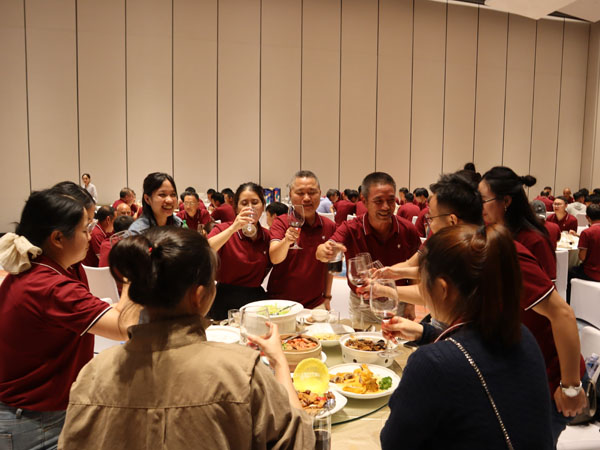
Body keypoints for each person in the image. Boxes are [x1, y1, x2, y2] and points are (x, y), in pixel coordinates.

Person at [58, 227, 314, 449]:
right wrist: (279, 361)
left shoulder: (92, 375)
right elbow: (300, 442)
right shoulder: (242, 372)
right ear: (199, 296)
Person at [380, 171, 585, 444]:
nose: (428, 225)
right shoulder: (468, 251)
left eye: (431, 217)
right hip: (505, 357)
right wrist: (422, 328)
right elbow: (460, 316)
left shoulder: (497, 251)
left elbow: (562, 314)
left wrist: (570, 386)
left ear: (452, 220)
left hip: (540, 369)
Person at [380, 225, 553, 449]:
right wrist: (425, 333)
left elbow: (393, 442)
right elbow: (478, 352)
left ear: (442, 289)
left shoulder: (430, 364)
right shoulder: (522, 334)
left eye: (423, 284)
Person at [0, 189, 135, 449]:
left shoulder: (38, 270)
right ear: (58, 238)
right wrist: (131, 272)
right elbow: (123, 327)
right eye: (85, 229)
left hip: (31, 413)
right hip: (34, 421)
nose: (90, 237)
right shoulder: (50, 286)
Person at [316, 172, 420, 327]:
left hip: (397, 301)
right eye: (378, 201)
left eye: (391, 200)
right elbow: (325, 248)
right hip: (362, 303)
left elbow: (414, 267)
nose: (386, 207)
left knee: (395, 340)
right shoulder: (351, 228)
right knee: (361, 339)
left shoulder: (407, 229)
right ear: (364, 201)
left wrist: (411, 305)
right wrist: (324, 251)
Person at [268, 170, 336, 309]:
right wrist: (286, 241)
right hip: (281, 304)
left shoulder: (329, 226)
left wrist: (327, 296)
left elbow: (330, 265)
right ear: (290, 195)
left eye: (312, 192)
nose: (306, 198)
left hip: (315, 303)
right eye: (300, 193)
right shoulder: (281, 222)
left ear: (320, 193)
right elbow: (274, 258)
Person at [207, 183, 271, 320]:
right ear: (236, 208)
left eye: (255, 202)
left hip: (255, 299)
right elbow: (204, 250)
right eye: (244, 203)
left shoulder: (266, 236)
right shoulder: (224, 229)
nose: (250, 207)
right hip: (225, 298)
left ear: (263, 206)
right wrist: (233, 229)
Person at [479, 166, 557, 281]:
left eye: (483, 200)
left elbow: (548, 286)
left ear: (506, 201)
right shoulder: (486, 230)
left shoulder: (534, 241)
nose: (479, 206)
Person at [567, 204, 600, 301]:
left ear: (587, 217)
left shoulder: (587, 232)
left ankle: (571, 303)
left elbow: (582, 257)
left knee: (569, 273)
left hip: (592, 273)